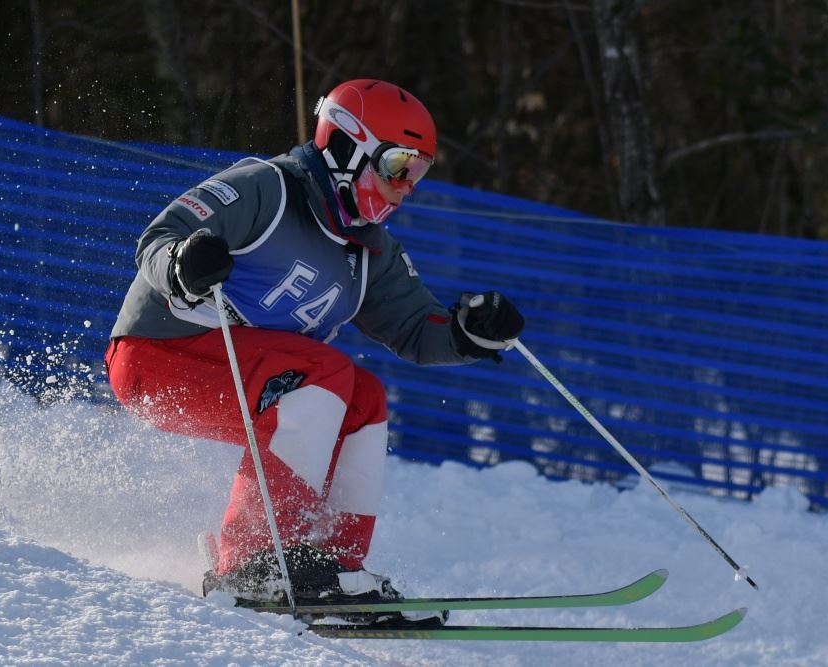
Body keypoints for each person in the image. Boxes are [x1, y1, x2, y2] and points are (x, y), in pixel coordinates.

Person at [104, 79, 524, 614]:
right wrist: (185, 261)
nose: (405, 187)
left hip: (251, 375)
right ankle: (254, 562)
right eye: (398, 166)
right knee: (323, 372)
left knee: (364, 400)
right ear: (348, 147)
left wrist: (470, 332)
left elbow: (419, 329)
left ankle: (335, 570)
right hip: (158, 352)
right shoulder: (267, 189)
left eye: (418, 173)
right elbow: (161, 237)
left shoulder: (369, 250)